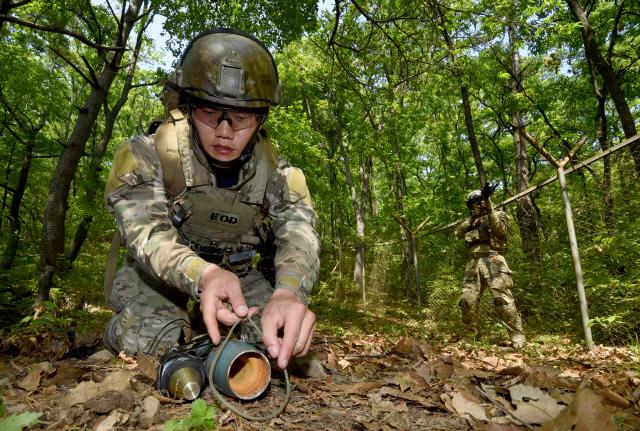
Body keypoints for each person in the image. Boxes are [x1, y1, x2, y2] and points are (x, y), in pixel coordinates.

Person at [102, 29, 320, 369]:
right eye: (209, 113)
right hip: (161, 276)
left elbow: (299, 235)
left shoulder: (278, 174)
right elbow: (146, 233)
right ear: (188, 109)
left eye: (241, 117)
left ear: (261, 119)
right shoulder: (148, 154)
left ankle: (211, 328)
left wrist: (289, 292)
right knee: (154, 340)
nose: (224, 131)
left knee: (276, 345)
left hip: (239, 274)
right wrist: (202, 275)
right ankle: (135, 326)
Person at [455, 189, 526, 349]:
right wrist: (472, 218)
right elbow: (458, 233)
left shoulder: (498, 214)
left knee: (502, 300)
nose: (477, 204)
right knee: (467, 301)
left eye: (479, 201)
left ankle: (517, 337)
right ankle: (469, 336)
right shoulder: (469, 221)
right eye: (473, 202)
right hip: (473, 262)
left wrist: (489, 209)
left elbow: (500, 230)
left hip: (494, 259)